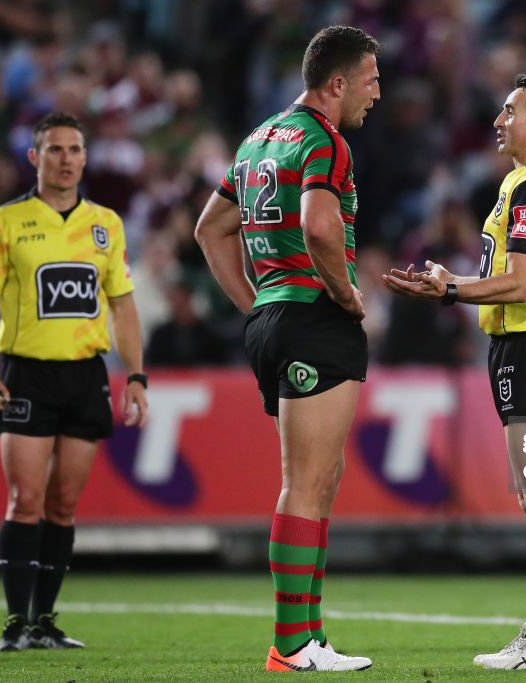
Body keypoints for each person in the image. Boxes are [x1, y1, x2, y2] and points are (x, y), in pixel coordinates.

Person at [194, 25, 379, 673]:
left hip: (278, 318)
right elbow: (320, 224)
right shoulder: (324, 141)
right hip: (314, 320)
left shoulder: (257, 140)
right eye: (370, 80)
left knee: (319, 481)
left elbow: (210, 229)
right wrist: (348, 298)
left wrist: (256, 304)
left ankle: (309, 635)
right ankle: (291, 643)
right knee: (306, 484)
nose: (375, 94)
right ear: (336, 83)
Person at [383, 75, 526, 670]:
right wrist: (455, 282)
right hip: (519, 347)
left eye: (509, 111)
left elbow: (521, 284)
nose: (499, 120)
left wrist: (451, 290)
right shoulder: (525, 181)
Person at [0, 111, 148, 652]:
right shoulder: (2, 222)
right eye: (55, 150)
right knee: (25, 499)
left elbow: (123, 306)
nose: (65, 159)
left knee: (64, 504)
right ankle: (13, 624)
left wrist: (135, 375)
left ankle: (44, 620)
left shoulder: (106, 225)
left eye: (74, 150)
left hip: (85, 374)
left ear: (86, 158)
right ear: (34, 157)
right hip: (25, 374)